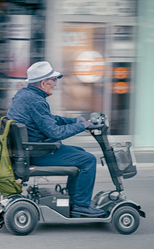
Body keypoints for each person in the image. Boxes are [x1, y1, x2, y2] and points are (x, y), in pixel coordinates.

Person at [7, 61, 105, 217]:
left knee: (80, 152)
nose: (55, 84)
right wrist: (82, 126)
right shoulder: (36, 101)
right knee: (88, 160)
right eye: (54, 80)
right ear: (43, 82)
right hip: (38, 152)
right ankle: (81, 205)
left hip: (29, 150)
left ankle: (75, 200)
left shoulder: (24, 95)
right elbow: (55, 133)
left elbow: (47, 119)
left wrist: (74, 121)